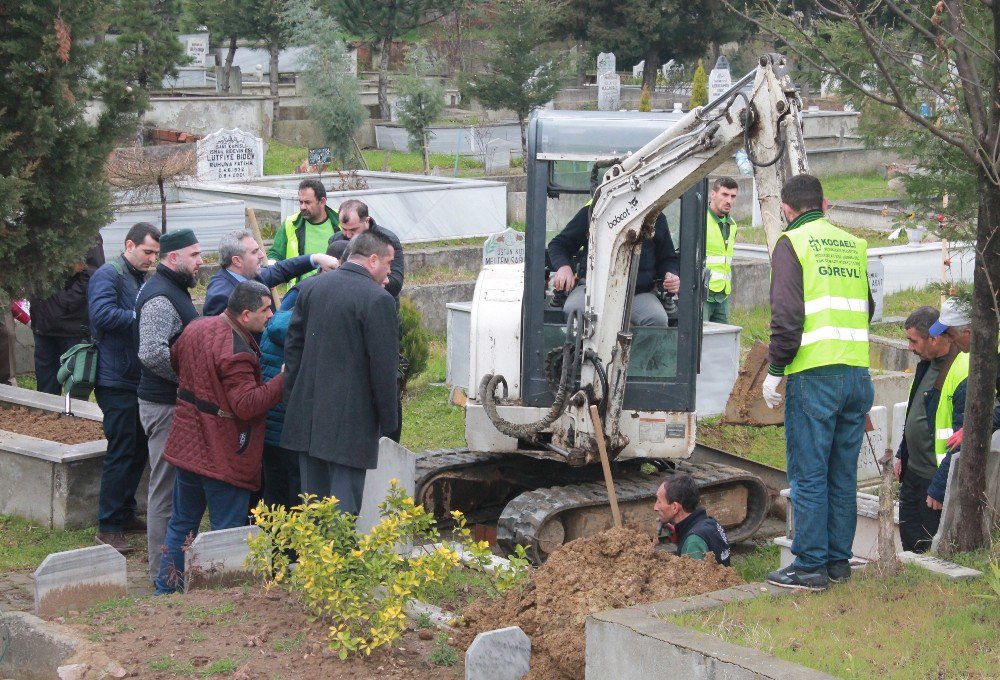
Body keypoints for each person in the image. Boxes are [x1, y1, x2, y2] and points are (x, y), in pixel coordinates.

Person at [762, 174, 874, 591]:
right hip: (857, 374)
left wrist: (776, 371)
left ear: (787, 210)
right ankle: (836, 563)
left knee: (809, 475)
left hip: (814, 376)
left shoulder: (793, 243)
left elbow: (787, 318)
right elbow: (869, 307)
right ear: (824, 205)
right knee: (841, 475)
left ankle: (809, 565)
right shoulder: (853, 244)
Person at [154, 281, 284, 594]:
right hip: (223, 452)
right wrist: (283, 379)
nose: (271, 315)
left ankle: (167, 589)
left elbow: (176, 360)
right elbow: (246, 404)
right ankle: (219, 595)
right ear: (245, 314)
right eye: (266, 309)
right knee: (226, 529)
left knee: (181, 523)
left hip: (189, 444)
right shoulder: (237, 351)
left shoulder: (197, 327)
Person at [281, 230, 400, 516]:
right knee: (342, 514)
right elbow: (383, 369)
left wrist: (293, 401)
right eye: (388, 263)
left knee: (313, 509)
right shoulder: (377, 299)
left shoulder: (311, 288)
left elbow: (293, 352)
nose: (390, 271)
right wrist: (389, 423)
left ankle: (313, 562)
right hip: (351, 426)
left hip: (307, 419)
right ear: (373, 260)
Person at [135, 228, 203, 583]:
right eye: (194, 255)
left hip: (171, 405)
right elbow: (150, 352)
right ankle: (161, 574)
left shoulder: (172, 288)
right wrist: (188, 381)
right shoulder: (161, 297)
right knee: (164, 490)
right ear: (173, 258)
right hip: (164, 408)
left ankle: (170, 570)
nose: (201, 262)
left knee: (173, 488)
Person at [89, 222, 161, 554]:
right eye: (147, 252)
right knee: (121, 450)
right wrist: (140, 317)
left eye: (156, 254)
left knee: (138, 449)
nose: (151, 259)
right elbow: (101, 315)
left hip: (134, 378)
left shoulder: (138, 277)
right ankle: (108, 527)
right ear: (129, 245)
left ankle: (125, 512)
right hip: (114, 379)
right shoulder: (109, 274)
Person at [328, 199, 406, 441]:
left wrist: (360, 280)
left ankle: (389, 436)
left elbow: (394, 283)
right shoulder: (336, 241)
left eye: (354, 230)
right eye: (345, 231)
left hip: (378, 311)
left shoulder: (387, 241)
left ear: (367, 222)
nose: (348, 236)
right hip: (347, 314)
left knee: (385, 374)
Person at [547, 201, 679, 327]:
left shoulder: (655, 218)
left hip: (638, 293)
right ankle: (577, 350)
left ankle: (636, 351)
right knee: (574, 311)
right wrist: (563, 267)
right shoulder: (593, 213)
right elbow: (559, 244)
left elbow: (667, 258)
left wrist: (670, 274)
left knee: (656, 319)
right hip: (592, 290)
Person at [892, 306, 958, 553]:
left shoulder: (956, 368)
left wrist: (939, 485)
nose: (910, 347)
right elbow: (917, 412)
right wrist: (902, 451)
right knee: (909, 539)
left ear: (934, 338)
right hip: (913, 473)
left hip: (934, 477)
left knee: (929, 545)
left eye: (913, 340)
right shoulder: (925, 365)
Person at [202, 230, 339, 317]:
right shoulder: (221, 295)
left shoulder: (252, 275)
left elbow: (280, 269)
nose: (262, 255)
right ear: (237, 261)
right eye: (254, 252)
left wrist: (316, 258)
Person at [29, 238, 105, 394]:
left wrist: (63, 303)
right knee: (45, 388)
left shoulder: (85, 231)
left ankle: (73, 417)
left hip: (72, 325)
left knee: (76, 386)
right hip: (42, 323)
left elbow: (92, 275)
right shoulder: (36, 223)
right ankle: (47, 417)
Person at [925, 298, 972, 512]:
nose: (951, 342)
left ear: (968, 332)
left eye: (951, 335)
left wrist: (940, 483)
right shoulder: (965, 359)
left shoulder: (971, 367)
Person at [268, 178, 340, 285]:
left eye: (307, 202)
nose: (302, 207)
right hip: (300, 293)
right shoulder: (290, 224)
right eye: (300, 202)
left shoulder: (341, 220)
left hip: (335, 288)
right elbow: (275, 255)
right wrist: (271, 271)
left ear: (322, 201)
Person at [653, 473, 731, 565]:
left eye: (659, 501)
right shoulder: (711, 523)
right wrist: (680, 533)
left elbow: (696, 578)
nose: (655, 507)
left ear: (674, 507)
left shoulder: (693, 542)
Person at [704, 177, 739, 324]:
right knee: (700, 343)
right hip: (702, 296)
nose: (729, 200)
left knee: (722, 342)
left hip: (722, 296)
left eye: (733, 196)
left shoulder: (732, 225)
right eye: (724, 195)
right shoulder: (700, 219)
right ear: (713, 194)